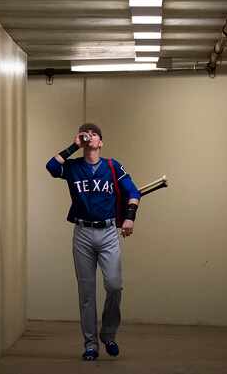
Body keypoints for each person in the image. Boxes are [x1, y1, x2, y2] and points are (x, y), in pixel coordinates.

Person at [45, 122, 141, 361]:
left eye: (95, 134)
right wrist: (73, 146)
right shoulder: (74, 167)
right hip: (82, 233)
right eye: (86, 135)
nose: (90, 137)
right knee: (86, 293)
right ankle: (90, 345)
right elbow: (50, 166)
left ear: (101, 142)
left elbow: (134, 191)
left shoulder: (112, 166)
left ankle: (108, 334)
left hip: (108, 232)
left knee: (114, 285)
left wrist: (129, 218)